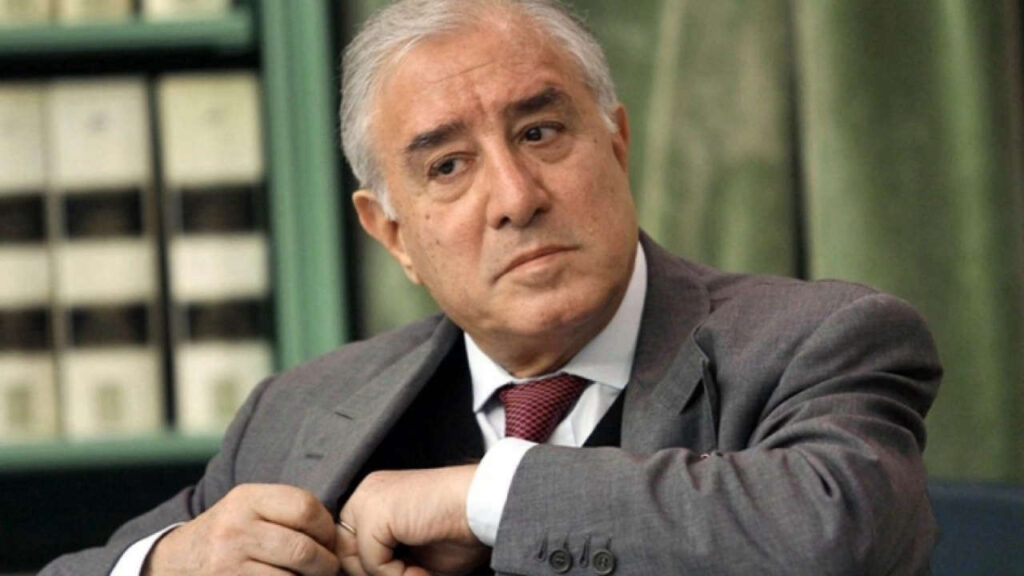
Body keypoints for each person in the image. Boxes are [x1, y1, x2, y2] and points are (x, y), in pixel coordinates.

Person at [42, 0, 942, 574]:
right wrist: (171, 562)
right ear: (393, 235)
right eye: (448, 166)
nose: (515, 197)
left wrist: (480, 497)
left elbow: (844, 531)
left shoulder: (819, 341)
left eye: (541, 132)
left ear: (617, 145)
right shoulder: (298, 413)